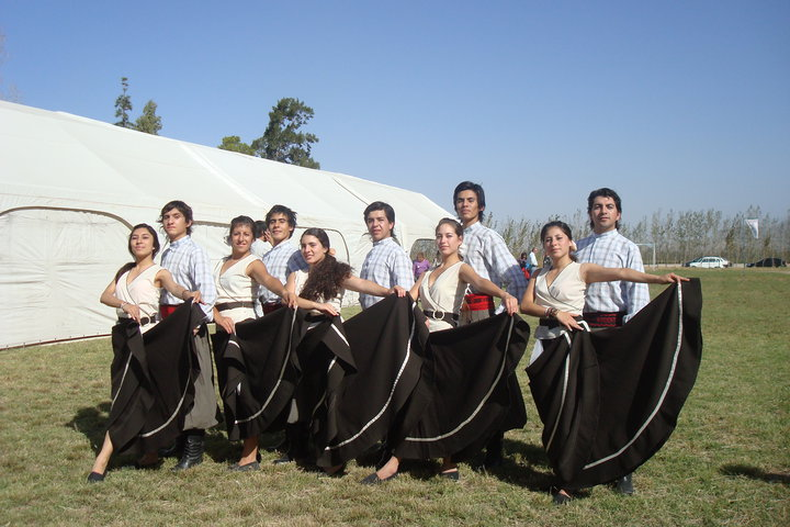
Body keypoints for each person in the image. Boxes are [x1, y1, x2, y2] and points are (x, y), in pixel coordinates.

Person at [519, 220, 687, 505]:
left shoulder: (581, 270)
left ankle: (568, 480)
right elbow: (526, 305)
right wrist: (553, 312)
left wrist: (660, 280)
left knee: (570, 410)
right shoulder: (538, 272)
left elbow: (621, 273)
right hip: (543, 346)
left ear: (571, 242)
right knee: (550, 411)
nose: (553, 243)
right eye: (548, 239)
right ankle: (563, 462)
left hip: (571, 347)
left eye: (559, 238)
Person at [363, 218, 519, 484]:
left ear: (460, 240)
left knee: (443, 399)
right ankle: (402, 456)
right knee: (416, 396)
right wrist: (395, 294)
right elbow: (409, 299)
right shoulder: (425, 273)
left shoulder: (462, 268)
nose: (443, 240)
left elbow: (481, 282)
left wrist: (504, 294)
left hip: (447, 338)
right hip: (423, 338)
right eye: (439, 236)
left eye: (449, 236)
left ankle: (446, 460)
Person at [88, 224, 201, 482]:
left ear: (154, 245)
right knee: (135, 393)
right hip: (124, 335)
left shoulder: (158, 271)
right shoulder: (124, 272)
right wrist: (124, 303)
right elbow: (105, 296)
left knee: (128, 394)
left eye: (145, 237)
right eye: (135, 238)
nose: (138, 241)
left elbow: (175, 289)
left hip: (148, 336)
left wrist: (188, 295)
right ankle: (149, 453)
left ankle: (101, 460)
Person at [575, 187, 649, 495]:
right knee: (584, 396)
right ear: (589, 212)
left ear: (618, 213)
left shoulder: (627, 248)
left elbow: (638, 295)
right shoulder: (577, 247)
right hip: (581, 330)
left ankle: (623, 467)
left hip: (614, 327)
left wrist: (630, 334)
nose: (602, 211)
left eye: (608, 206)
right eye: (596, 206)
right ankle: (585, 457)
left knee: (616, 398)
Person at [212, 216, 297, 471]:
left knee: (241, 389)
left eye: (246, 235)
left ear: (253, 238)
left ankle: (250, 453)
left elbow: (268, 279)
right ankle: (244, 443)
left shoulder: (253, 262)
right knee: (227, 388)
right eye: (236, 233)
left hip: (243, 329)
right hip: (221, 329)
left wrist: (284, 292)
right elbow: (210, 299)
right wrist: (216, 317)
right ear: (230, 236)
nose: (240, 238)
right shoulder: (219, 264)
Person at [453, 181, 528, 468]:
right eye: (460, 200)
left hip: (484, 314)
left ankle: (495, 446)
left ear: (481, 206)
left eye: (470, 200)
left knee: (491, 378)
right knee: (465, 379)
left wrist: (503, 314)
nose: (464, 205)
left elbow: (516, 278)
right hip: (459, 316)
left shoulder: (488, 237)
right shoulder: (453, 236)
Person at [158, 200, 218, 471]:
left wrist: (195, 322)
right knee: (176, 382)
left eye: (176, 216)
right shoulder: (166, 253)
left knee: (196, 383)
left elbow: (206, 291)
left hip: (187, 324)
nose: (170, 221)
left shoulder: (195, 251)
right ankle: (179, 439)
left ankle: (194, 447)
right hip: (167, 325)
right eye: (166, 217)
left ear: (188, 222)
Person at [358, 202, 414, 310]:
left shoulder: (396, 253)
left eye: (380, 220)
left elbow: (405, 295)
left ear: (391, 224)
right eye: (371, 220)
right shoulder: (371, 253)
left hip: (387, 319)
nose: (375, 224)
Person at [255, 205, 307, 318]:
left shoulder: (295, 254)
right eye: (273, 222)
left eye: (281, 221)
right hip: (266, 309)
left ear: (291, 227)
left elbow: (303, 282)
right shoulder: (267, 255)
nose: (276, 225)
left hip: (285, 309)